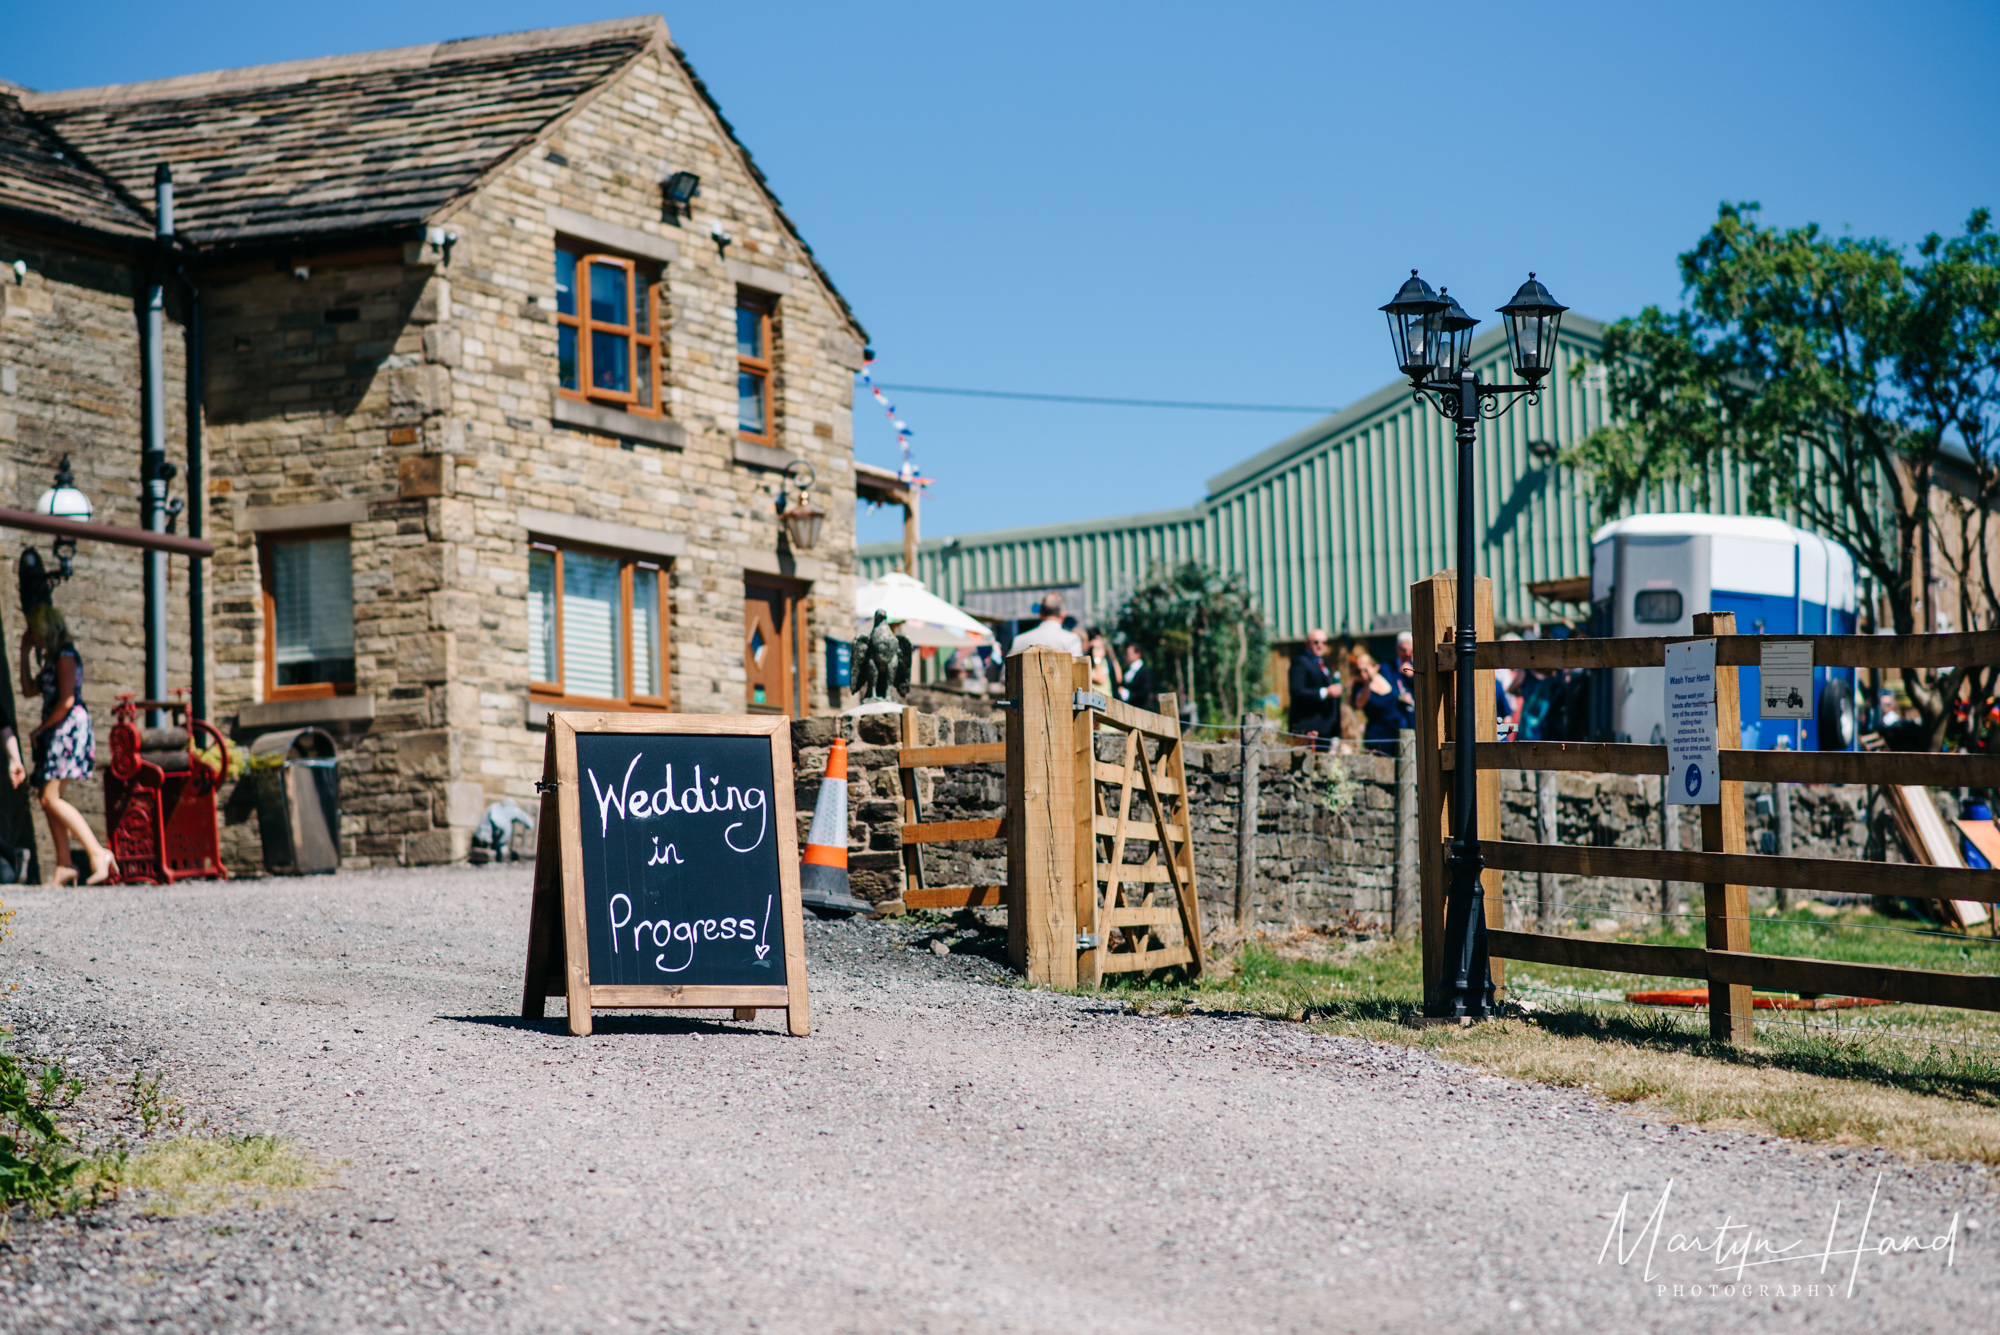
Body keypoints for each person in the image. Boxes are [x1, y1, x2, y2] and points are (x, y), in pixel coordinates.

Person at [13, 598, 114, 885]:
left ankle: (97, 853)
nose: (31, 635)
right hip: (55, 730)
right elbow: (29, 689)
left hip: (67, 729)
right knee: (48, 799)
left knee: (50, 796)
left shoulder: (66, 654)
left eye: (33, 631)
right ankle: (64, 864)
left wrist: (39, 730)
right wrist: (24, 652)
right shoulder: (51, 657)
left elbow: (68, 700)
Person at [1349, 647, 1415, 757]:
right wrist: (1367, 683)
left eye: (1365, 670)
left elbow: (1399, 689)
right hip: (1379, 736)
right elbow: (1359, 703)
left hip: (1399, 730)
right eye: (1359, 671)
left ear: (1374, 666)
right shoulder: (1360, 687)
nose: (1363, 674)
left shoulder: (1386, 673)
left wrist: (1403, 697)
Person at [1288, 629, 1339, 751]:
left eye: (1324, 642)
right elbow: (1296, 691)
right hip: (1308, 730)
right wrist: (1325, 692)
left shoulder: (1322, 666)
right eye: (1316, 642)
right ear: (1307, 643)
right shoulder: (1300, 662)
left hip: (1325, 730)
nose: (1320, 645)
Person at [1006, 590, 1084, 656]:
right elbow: (1079, 672)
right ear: (1063, 615)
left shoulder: (1018, 640)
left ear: (1040, 614)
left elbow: (1005, 673)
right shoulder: (1071, 640)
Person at [1117, 642, 1158, 713]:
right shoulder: (1126, 670)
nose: (1126, 656)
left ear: (1138, 654)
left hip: (1141, 711)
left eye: (1128, 654)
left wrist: (1128, 694)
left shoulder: (1145, 672)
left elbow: (1145, 692)